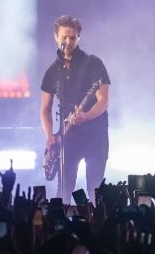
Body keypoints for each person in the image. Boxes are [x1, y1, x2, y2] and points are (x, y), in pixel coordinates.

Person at [40, 15, 111, 202]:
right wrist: (50, 138)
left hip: (94, 137)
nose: (68, 41)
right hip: (67, 138)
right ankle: (58, 228)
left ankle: (97, 227)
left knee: (95, 190)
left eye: (72, 37)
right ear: (56, 37)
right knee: (63, 192)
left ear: (79, 37)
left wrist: (86, 116)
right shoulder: (53, 71)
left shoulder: (93, 63)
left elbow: (103, 100)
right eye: (64, 37)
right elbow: (45, 109)